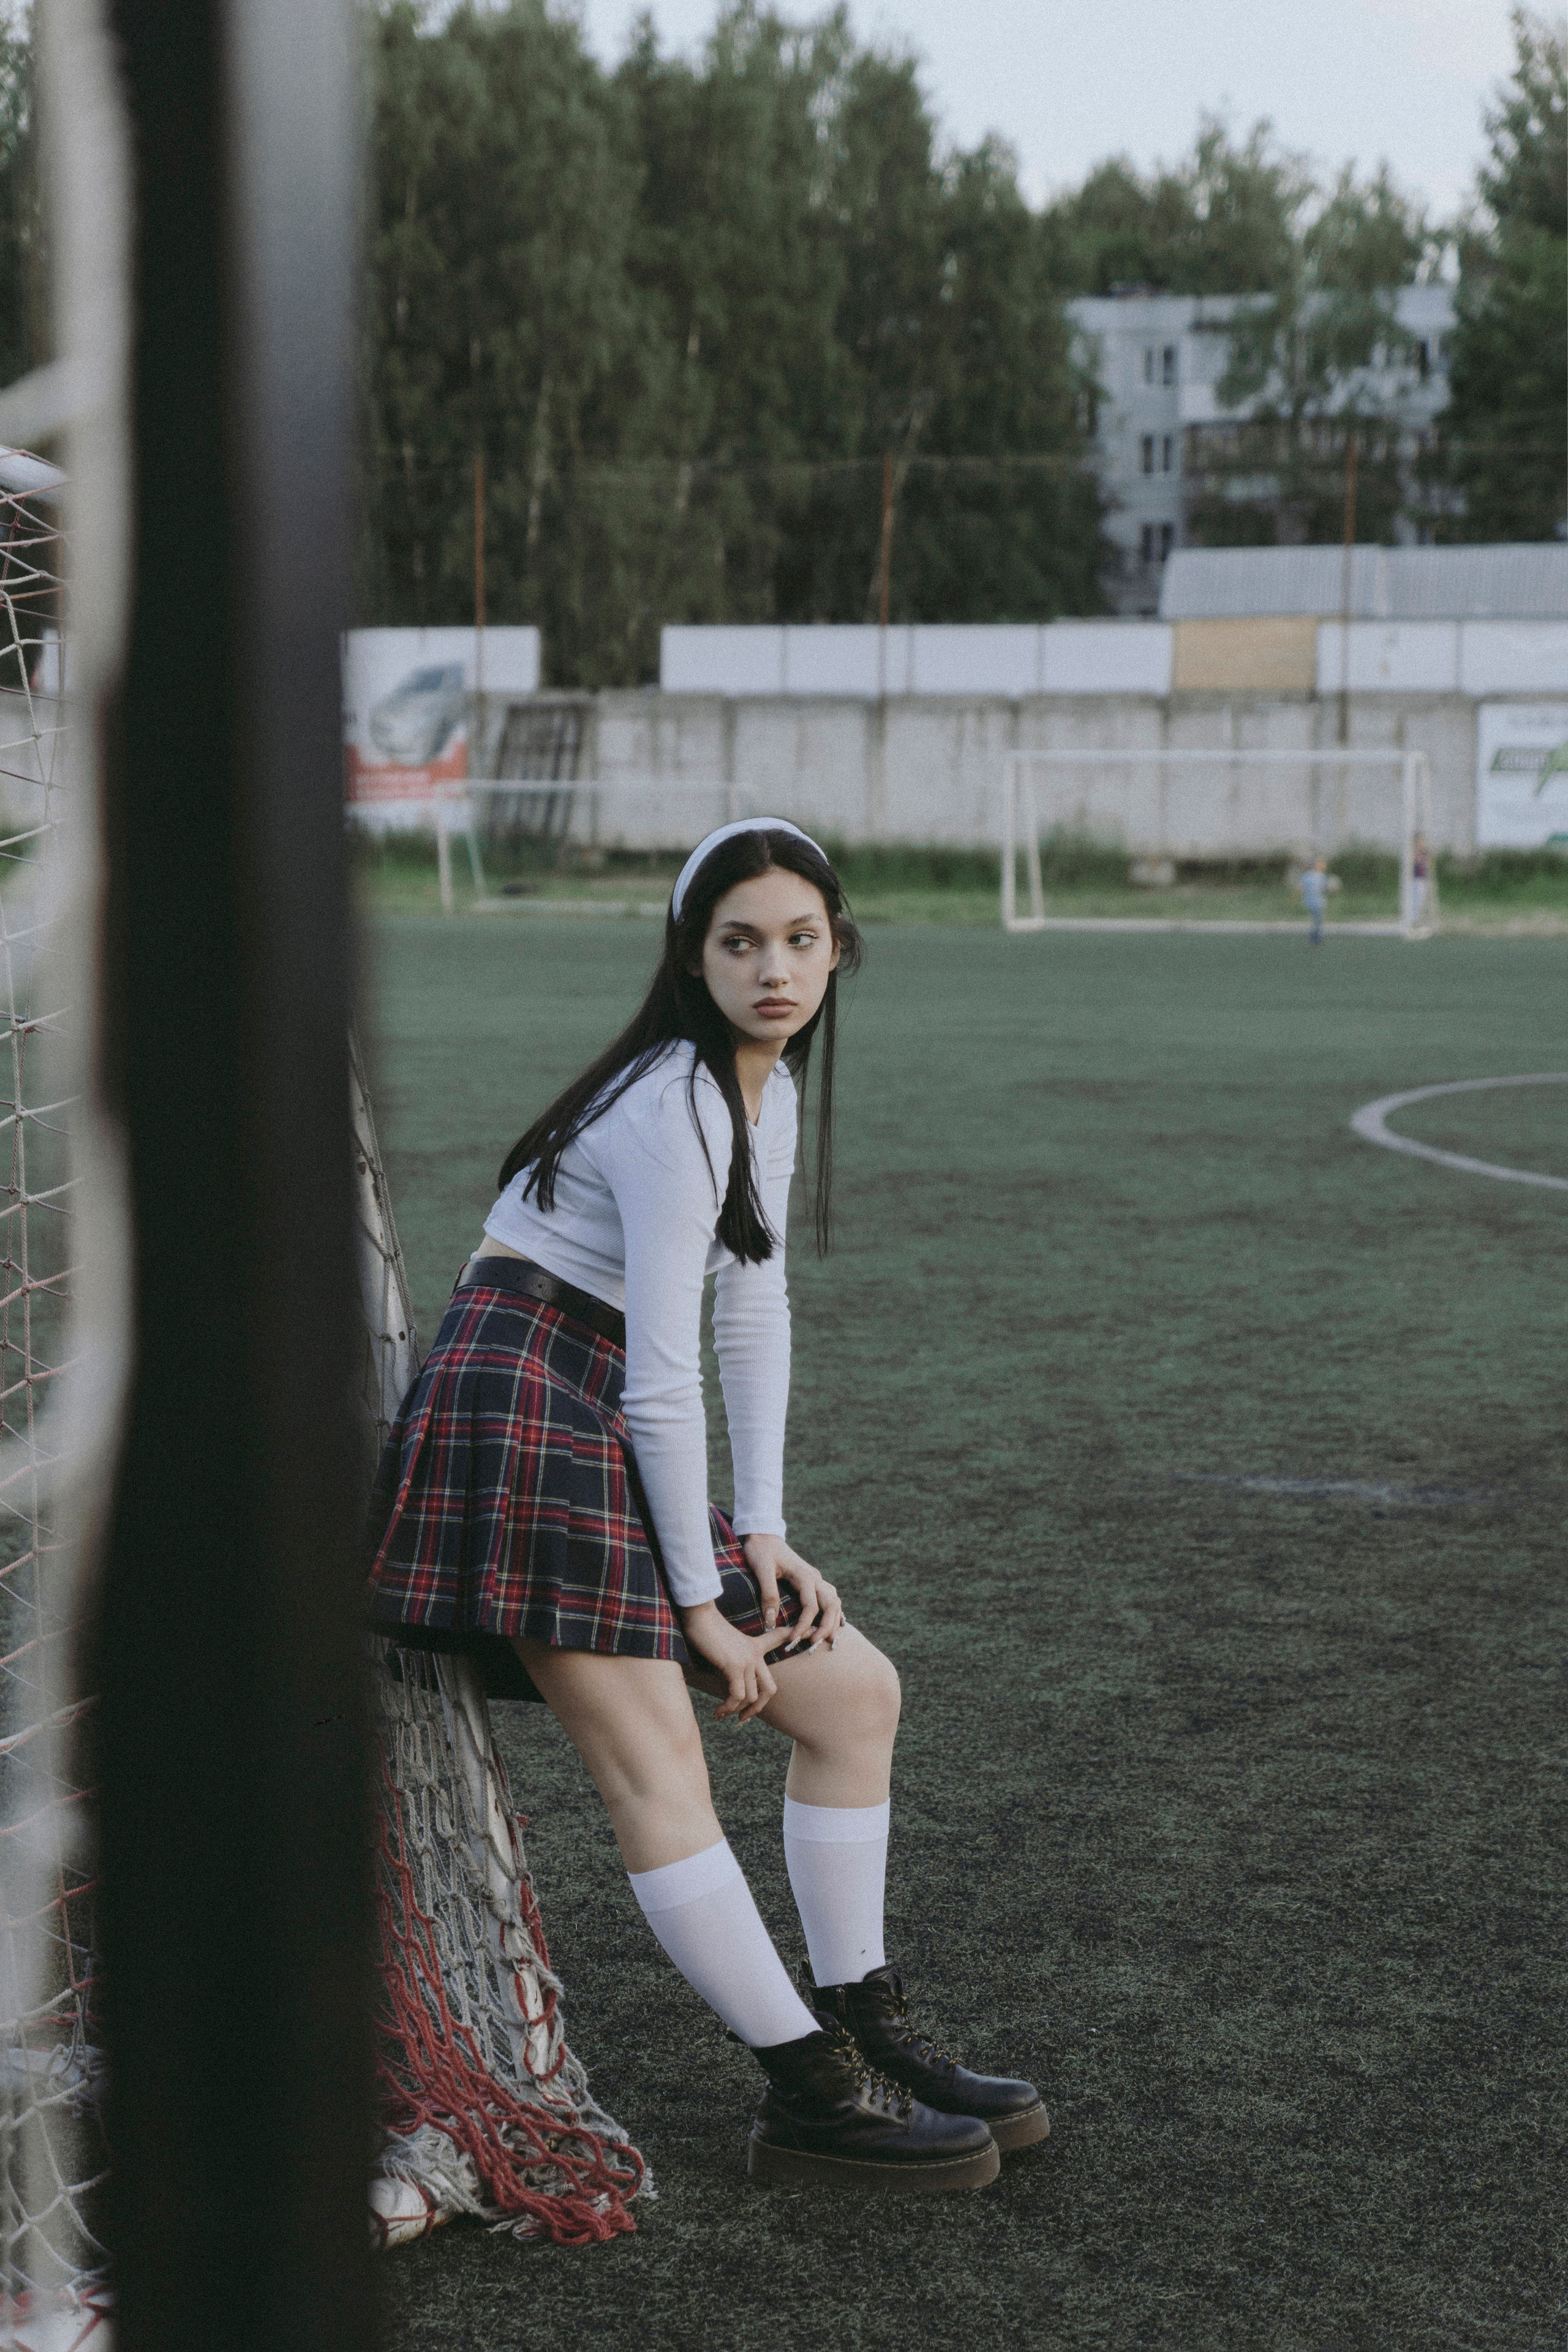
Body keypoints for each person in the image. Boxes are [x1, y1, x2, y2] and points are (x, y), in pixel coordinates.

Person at [366, 818, 1046, 2195]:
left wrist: (764, 1528)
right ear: (692, 958)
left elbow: (754, 1309)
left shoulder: (762, 1092)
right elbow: (664, 1371)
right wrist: (698, 1602)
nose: (774, 970)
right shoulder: (671, 1100)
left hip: (604, 1401)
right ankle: (810, 2096)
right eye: (741, 944)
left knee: (853, 1696)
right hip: (522, 1401)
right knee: (659, 1762)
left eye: (801, 940)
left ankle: (866, 2023)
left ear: (838, 949)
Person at [1298, 854, 1330, 945]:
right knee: (1318, 919)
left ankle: (1314, 936)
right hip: (1312, 901)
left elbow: (1326, 890)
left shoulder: (1323, 876)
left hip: (1319, 901)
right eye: (1319, 864)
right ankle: (1315, 938)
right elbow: (1301, 888)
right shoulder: (1308, 876)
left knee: (1317, 920)